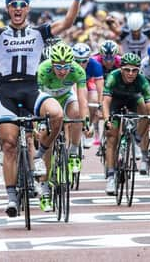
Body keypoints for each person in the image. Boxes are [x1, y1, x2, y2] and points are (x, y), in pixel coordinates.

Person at [0, 0, 87, 217]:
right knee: (8, 145)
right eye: (13, 5)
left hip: (31, 88)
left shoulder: (39, 32)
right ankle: (11, 198)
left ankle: (39, 156)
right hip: (6, 90)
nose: (17, 8)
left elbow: (67, 23)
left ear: (28, 8)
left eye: (22, 5)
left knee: (57, 114)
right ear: (8, 9)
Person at [37, 42, 89, 210]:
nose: (62, 70)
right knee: (47, 142)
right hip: (46, 101)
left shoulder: (78, 71)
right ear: (51, 63)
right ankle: (45, 190)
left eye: (66, 66)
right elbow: (35, 100)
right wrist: (38, 123)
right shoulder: (42, 70)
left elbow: (82, 99)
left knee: (75, 113)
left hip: (66, 98)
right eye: (58, 66)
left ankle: (73, 151)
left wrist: (86, 120)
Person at [101, 53, 150, 194]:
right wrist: (107, 119)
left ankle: (137, 139)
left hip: (133, 100)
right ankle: (110, 176)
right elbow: (105, 102)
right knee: (112, 138)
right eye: (127, 70)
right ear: (121, 69)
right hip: (115, 102)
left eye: (134, 70)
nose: (131, 73)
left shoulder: (142, 81)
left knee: (146, 111)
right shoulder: (113, 77)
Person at [72, 42, 104, 147]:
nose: (81, 64)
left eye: (84, 61)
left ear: (89, 59)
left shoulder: (95, 65)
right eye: (77, 61)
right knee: (77, 102)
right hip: (73, 83)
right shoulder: (69, 65)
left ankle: (87, 128)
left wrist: (99, 106)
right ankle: (77, 128)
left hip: (87, 83)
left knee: (93, 100)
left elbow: (100, 88)